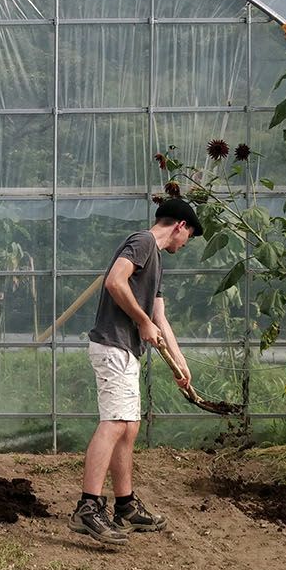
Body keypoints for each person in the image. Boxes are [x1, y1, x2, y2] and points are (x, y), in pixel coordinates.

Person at [68, 196, 202, 545]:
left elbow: (160, 318)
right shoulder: (142, 242)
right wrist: (141, 321)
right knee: (114, 424)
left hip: (126, 350)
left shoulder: (154, 258)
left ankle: (125, 504)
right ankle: (87, 507)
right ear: (180, 226)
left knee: (129, 426)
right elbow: (115, 281)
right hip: (113, 346)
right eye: (189, 236)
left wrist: (180, 363)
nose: (185, 244)